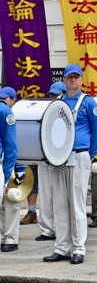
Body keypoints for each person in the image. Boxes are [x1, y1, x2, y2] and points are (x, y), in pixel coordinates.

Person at [42, 64, 97, 264]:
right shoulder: (57, 103)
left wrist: (88, 155)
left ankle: (78, 248)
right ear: (65, 80)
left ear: (81, 79)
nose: (73, 80)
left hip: (79, 156)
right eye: (70, 77)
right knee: (59, 204)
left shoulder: (89, 103)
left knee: (77, 204)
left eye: (76, 77)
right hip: (59, 158)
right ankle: (61, 247)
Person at [35, 81, 66, 242]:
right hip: (44, 158)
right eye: (52, 95)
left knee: (60, 196)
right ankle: (47, 229)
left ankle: (60, 229)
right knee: (46, 194)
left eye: (57, 94)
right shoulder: (44, 110)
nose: (54, 97)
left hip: (60, 158)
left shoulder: (67, 111)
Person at [0, 87, 20, 252]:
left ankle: (10, 238)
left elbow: (12, 147)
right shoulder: (6, 111)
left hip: (9, 163)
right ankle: (8, 238)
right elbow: (12, 146)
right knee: (8, 203)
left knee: (10, 202)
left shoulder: (6, 112)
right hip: (6, 163)